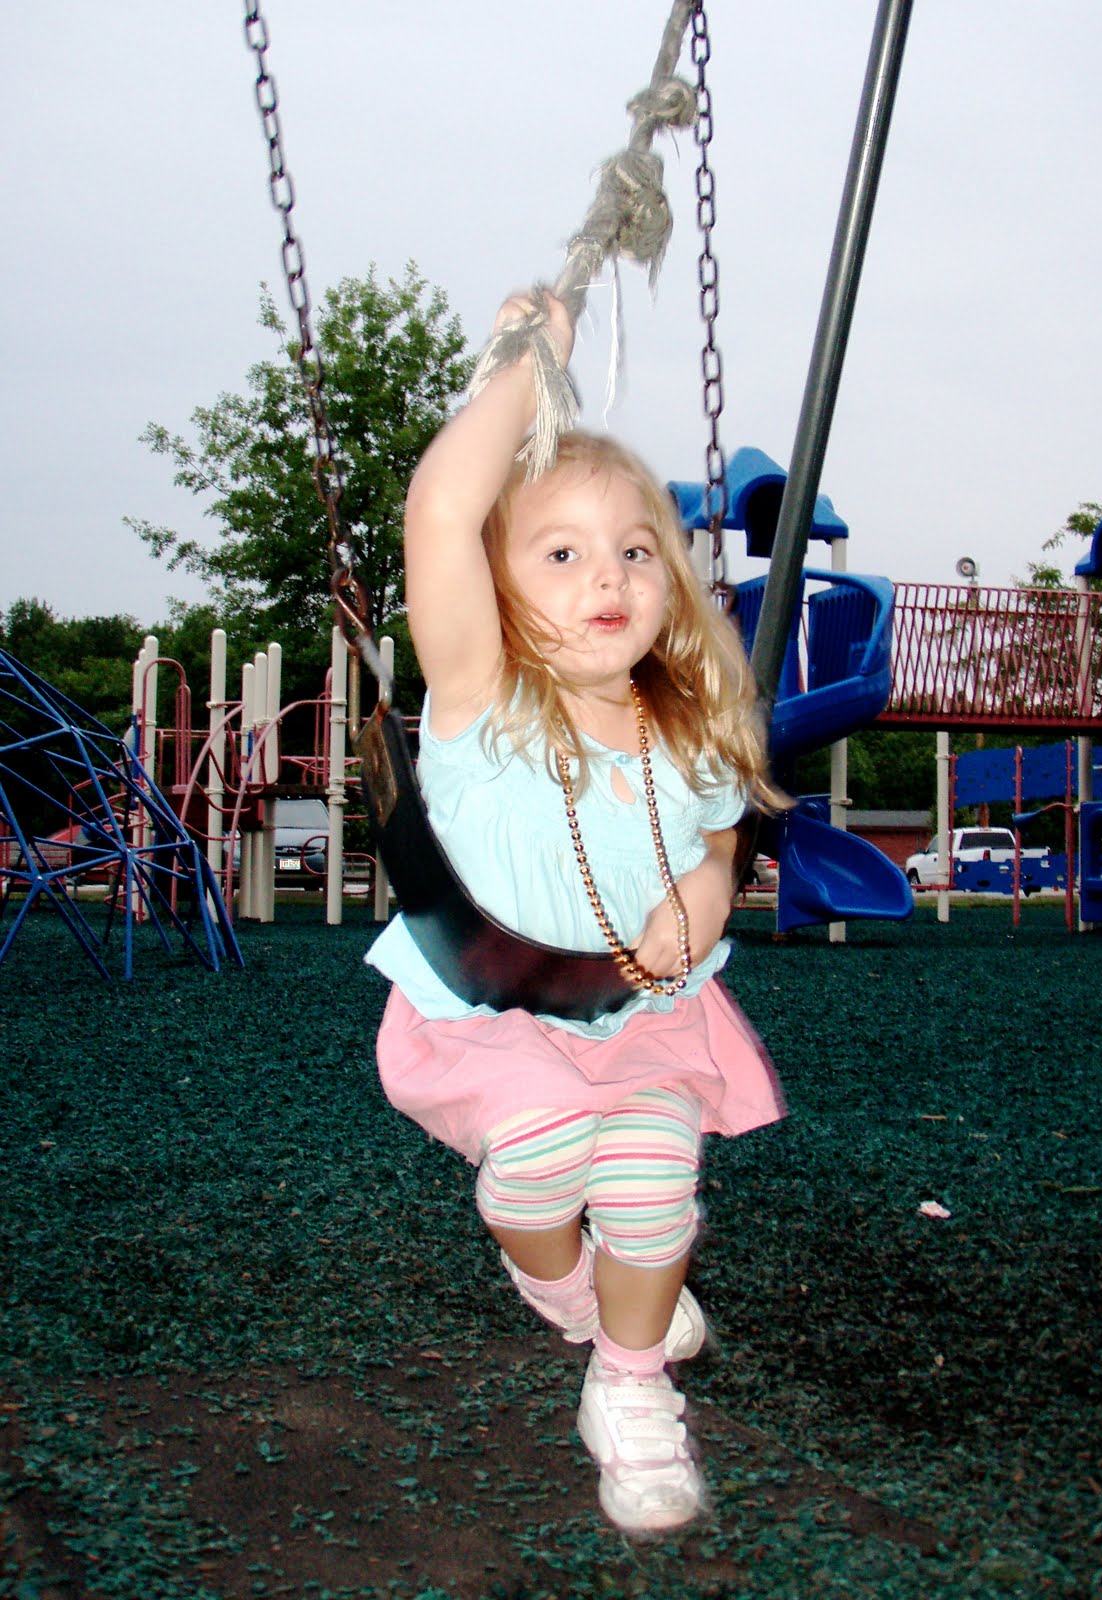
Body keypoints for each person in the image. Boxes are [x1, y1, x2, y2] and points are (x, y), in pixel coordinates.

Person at [366, 289, 786, 1536]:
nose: (608, 574)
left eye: (635, 551)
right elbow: (442, 509)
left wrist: (701, 891)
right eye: (560, 553)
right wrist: (527, 365)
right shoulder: (483, 699)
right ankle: (568, 1291)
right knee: (545, 1147)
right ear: (493, 590)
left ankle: (630, 1383)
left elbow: (721, 835)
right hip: (492, 1010)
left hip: (645, 1010)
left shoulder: (682, 725)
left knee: (657, 1171)